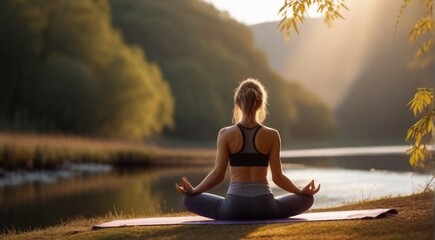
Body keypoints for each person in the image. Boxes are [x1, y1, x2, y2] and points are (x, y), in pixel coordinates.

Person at [175, 78, 320, 220]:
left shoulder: (225, 134)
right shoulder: (272, 135)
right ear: (261, 103)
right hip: (265, 207)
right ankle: (277, 208)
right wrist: (301, 191)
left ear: (238, 102)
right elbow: (278, 177)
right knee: (307, 199)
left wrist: (194, 191)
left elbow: (217, 175)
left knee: (188, 200)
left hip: (233, 207)